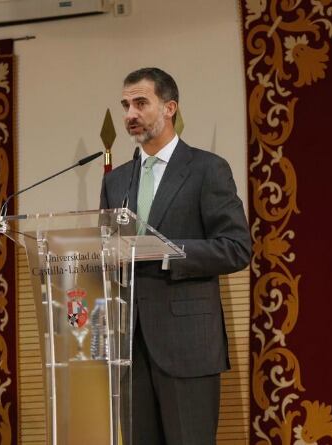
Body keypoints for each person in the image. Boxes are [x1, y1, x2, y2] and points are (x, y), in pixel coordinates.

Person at [99, 67, 251, 444]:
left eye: (140, 103)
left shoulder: (206, 169)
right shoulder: (116, 180)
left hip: (188, 345)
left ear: (169, 108)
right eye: (125, 105)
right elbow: (109, 253)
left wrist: (166, 252)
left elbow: (236, 248)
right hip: (129, 348)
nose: (129, 114)